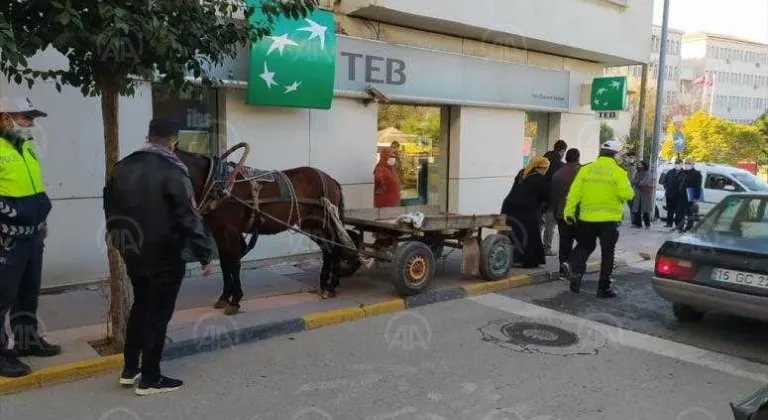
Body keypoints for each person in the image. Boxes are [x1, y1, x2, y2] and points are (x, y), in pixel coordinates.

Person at [103, 118, 215, 396]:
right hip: (166, 254)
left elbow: (110, 211)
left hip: (133, 252)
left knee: (141, 307)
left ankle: (130, 370)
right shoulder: (174, 170)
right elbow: (188, 217)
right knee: (158, 315)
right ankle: (151, 377)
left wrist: (120, 243)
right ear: (175, 141)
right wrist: (204, 253)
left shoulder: (121, 167)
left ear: (148, 136)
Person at [0, 97, 61, 378]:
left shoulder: (26, 148)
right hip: (7, 238)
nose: (32, 125)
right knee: (2, 296)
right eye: (26, 118)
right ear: (5, 118)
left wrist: (41, 217)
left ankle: (26, 340)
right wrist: (11, 216)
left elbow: (35, 189)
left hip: (32, 236)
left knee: (27, 292)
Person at [561, 140, 634, 298]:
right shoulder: (619, 172)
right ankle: (603, 288)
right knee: (607, 253)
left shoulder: (586, 169)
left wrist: (569, 212)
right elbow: (627, 195)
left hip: (586, 218)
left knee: (585, 246)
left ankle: (574, 269)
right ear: (616, 155)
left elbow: (574, 193)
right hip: (608, 221)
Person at [501, 156, 550, 268]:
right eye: (545, 169)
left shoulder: (522, 173)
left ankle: (513, 257)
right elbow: (546, 197)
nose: (546, 171)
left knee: (515, 233)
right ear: (539, 168)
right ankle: (528, 260)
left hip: (510, 206)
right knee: (529, 234)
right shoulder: (539, 179)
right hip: (526, 210)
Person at [550, 148, 582, 278]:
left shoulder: (558, 174)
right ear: (578, 158)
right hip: (578, 213)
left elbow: (554, 196)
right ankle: (571, 264)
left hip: (561, 214)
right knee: (584, 242)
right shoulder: (582, 171)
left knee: (564, 243)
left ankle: (563, 270)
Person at [541, 139, 568, 256]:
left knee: (539, 223)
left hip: (539, 196)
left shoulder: (544, 159)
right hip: (552, 199)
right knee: (550, 225)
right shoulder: (560, 165)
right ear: (562, 151)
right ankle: (546, 248)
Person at [675, 157, 703, 233]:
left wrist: (696, 198)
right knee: (680, 212)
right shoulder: (682, 172)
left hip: (690, 196)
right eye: (686, 163)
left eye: (689, 163)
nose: (687, 165)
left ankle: (688, 228)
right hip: (680, 195)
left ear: (693, 165)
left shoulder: (697, 174)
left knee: (689, 213)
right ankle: (680, 227)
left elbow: (698, 186)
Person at [630, 160, 654, 229]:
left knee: (646, 210)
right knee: (637, 209)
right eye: (638, 165)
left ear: (644, 165)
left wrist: (637, 182)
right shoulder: (637, 172)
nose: (639, 166)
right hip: (638, 193)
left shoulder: (647, 172)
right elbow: (632, 181)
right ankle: (637, 224)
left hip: (645, 193)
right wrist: (638, 182)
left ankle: (647, 224)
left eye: (640, 165)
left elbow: (644, 182)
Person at [662, 159, 683, 228]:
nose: (677, 165)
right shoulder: (670, 172)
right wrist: (666, 188)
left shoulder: (684, 173)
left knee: (678, 211)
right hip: (670, 194)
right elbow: (664, 181)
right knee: (670, 210)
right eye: (676, 163)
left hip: (679, 196)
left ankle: (677, 225)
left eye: (679, 163)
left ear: (681, 164)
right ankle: (669, 223)